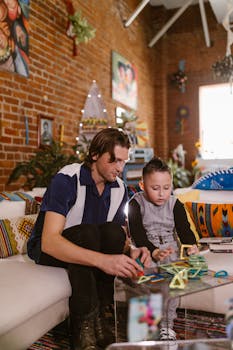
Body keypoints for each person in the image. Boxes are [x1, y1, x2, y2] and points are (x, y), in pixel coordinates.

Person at [27, 127, 151, 350]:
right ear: (95, 154)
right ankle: (82, 324)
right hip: (48, 248)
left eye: (124, 161)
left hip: (90, 241)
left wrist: (131, 249)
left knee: (112, 233)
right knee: (87, 233)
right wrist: (103, 261)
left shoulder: (119, 188)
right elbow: (49, 241)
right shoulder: (67, 179)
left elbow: (117, 236)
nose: (120, 168)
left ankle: (102, 317)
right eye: (114, 161)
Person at [127, 156, 199, 341]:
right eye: (155, 188)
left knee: (174, 283)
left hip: (170, 249)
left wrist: (191, 247)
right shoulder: (135, 204)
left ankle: (167, 326)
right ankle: (146, 325)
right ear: (142, 185)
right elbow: (137, 234)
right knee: (142, 283)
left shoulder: (176, 204)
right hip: (145, 249)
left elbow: (185, 231)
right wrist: (152, 251)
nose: (161, 194)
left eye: (166, 188)